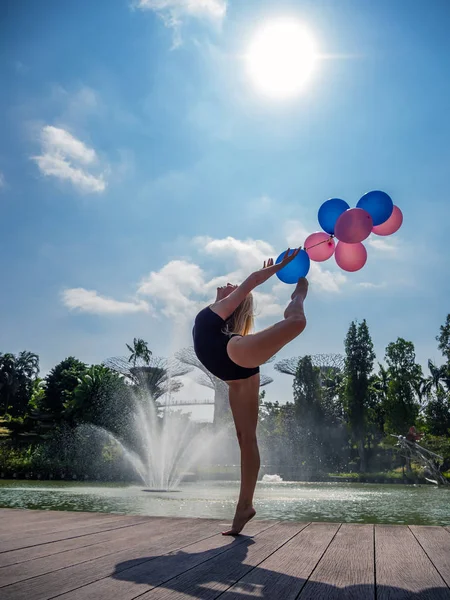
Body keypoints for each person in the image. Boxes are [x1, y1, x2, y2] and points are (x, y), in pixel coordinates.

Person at [192, 248, 308, 535]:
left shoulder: (218, 310)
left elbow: (253, 279)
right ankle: (244, 508)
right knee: (246, 439)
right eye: (231, 287)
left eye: (233, 288)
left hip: (234, 354)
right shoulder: (213, 314)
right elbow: (251, 281)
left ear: (236, 300)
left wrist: (280, 267)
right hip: (235, 375)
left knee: (296, 322)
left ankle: (299, 295)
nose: (229, 286)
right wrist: (275, 268)